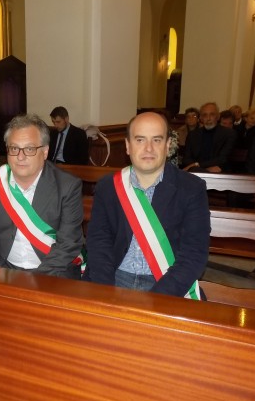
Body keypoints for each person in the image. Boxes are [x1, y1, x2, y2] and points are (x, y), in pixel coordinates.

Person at [85, 112, 210, 298]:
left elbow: (194, 255)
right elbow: (98, 242)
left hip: (168, 284)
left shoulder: (192, 188)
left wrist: (156, 300)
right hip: (114, 278)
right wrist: (107, 294)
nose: (148, 148)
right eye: (140, 140)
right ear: (128, 146)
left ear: (167, 146)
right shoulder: (108, 186)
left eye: (157, 140)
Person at [0, 114, 84, 279]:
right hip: (4, 269)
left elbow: (68, 244)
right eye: (14, 148)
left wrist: (34, 282)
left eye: (30, 149)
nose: (20, 156)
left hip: (53, 274)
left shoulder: (67, 186)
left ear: (45, 152)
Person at [182, 102, 236, 172]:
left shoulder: (229, 133)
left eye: (212, 114)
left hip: (220, 172)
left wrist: (198, 165)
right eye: (205, 115)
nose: (208, 118)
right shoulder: (193, 135)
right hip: (196, 172)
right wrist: (204, 169)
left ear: (218, 116)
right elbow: (186, 159)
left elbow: (223, 159)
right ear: (201, 118)